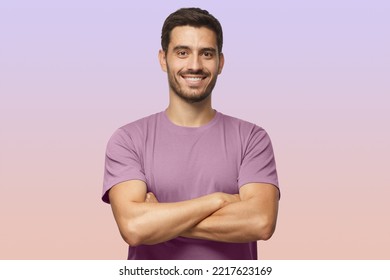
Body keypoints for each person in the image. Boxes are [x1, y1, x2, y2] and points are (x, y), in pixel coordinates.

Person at [102, 7, 280, 260]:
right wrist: (217, 201)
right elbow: (134, 228)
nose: (195, 65)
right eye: (182, 53)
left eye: (206, 53)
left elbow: (260, 222)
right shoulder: (128, 140)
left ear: (220, 62)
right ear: (164, 60)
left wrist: (160, 218)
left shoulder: (252, 138)